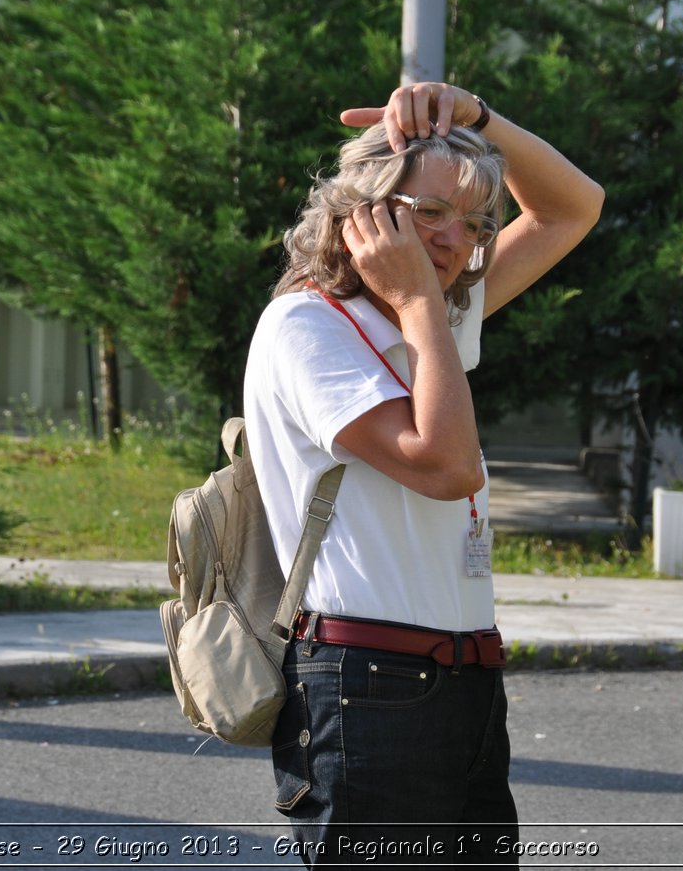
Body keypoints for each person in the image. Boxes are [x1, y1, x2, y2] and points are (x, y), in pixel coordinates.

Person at [243, 81, 602, 865]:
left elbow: (574, 207)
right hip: (367, 680)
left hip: (465, 677)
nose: (455, 240)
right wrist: (419, 303)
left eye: (473, 223)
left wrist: (475, 117)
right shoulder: (307, 324)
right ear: (364, 210)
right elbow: (445, 467)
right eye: (428, 212)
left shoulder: (430, 310)